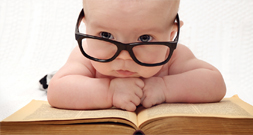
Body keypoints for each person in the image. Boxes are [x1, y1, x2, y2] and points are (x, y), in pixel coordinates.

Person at [47, 0, 226, 111]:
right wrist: (109, 92)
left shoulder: (173, 57)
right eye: (106, 35)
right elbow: (57, 91)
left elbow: (214, 83)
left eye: (145, 38)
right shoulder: (85, 55)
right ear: (86, 25)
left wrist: (165, 88)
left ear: (171, 36)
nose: (124, 56)